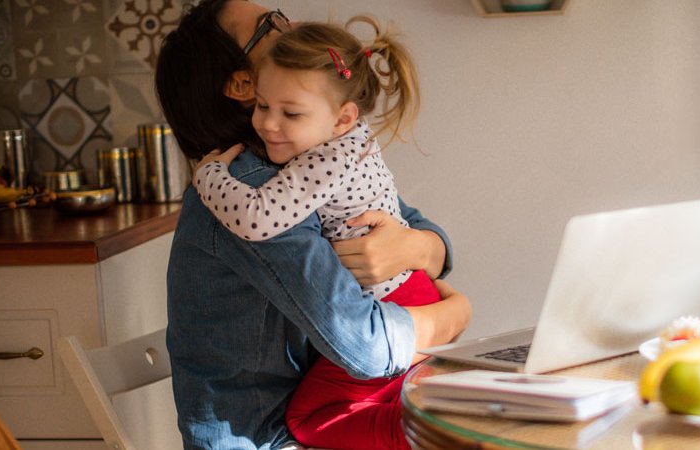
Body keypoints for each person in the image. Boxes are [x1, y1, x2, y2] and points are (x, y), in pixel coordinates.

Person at [155, 1, 471, 448]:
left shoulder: (316, 154)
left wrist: (415, 249)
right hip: (270, 438)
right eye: (272, 26)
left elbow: (420, 229)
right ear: (244, 85)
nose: (294, 25)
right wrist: (454, 313)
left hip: (316, 412)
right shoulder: (250, 187)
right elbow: (367, 349)